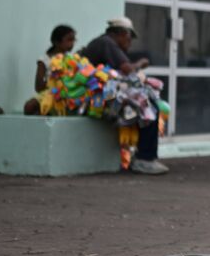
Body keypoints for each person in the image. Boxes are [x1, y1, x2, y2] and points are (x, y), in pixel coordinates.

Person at [78, 18, 168, 175]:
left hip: (103, 94)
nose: (130, 42)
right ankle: (144, 159)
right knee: (148, 105)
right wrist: (141, 63)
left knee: (149, 100)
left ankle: (142, 156)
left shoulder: (103, 42)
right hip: (98, 97)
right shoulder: (107, 43)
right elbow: (128, 70)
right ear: (122, 33)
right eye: (130, 37)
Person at [23, 24, 77, 115]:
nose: (72, 43)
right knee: (29, 107)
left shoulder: (71, 59)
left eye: (73, 40)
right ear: (56, 42)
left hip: (67, 94)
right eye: (69, 40)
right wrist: (54, 82)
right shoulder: (44, 59)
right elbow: (38, 87)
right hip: (49, 93)